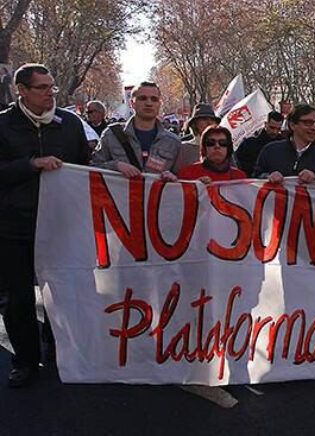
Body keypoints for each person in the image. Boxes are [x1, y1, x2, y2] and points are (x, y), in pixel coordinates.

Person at [0, 63, 90, 387]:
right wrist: (31, 165)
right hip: (14, 227)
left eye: (52, 86)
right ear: (21, 91)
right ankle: (24, 361)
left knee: (63, 292)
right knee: (19, 299)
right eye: (42, 88)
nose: (50, 93)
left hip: (61, 225)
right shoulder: (3, 126)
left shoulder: (69, 125)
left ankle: (59, 348)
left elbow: (84, 170)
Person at [92, 81, 182, 179]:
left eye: (154, 99)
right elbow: (92, 169)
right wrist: (115, 166)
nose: (149, 103)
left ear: (159, 104)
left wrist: (174, 178)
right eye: (142, 98)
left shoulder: (173, 142)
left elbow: (183, 178)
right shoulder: (111, 135)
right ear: (132, 103)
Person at [254, 104, 315, 183]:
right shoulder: (270, 150)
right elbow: (254, 178)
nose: (314, 127)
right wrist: (267, 177)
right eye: (308, 123)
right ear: (292, 125)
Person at [177, 125, 246, 183]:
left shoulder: (239, 177)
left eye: (223, 143)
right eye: (211, 143)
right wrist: (194, 187)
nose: (217, 146)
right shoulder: (187, 174)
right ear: (204, 148)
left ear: (229, 148)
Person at [235, 111, 284, 175]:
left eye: (278, 129)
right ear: (266, 124)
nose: (275, 132)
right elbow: (238, 163)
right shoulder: (250, 142)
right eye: (272, 128)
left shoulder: (283, 143)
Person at [175, 104, 220, 173]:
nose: (209, 122)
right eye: (204, 119)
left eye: (212, 119)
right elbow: (176, 174)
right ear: (195, 123)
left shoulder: (222, 147)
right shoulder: (184, 149)